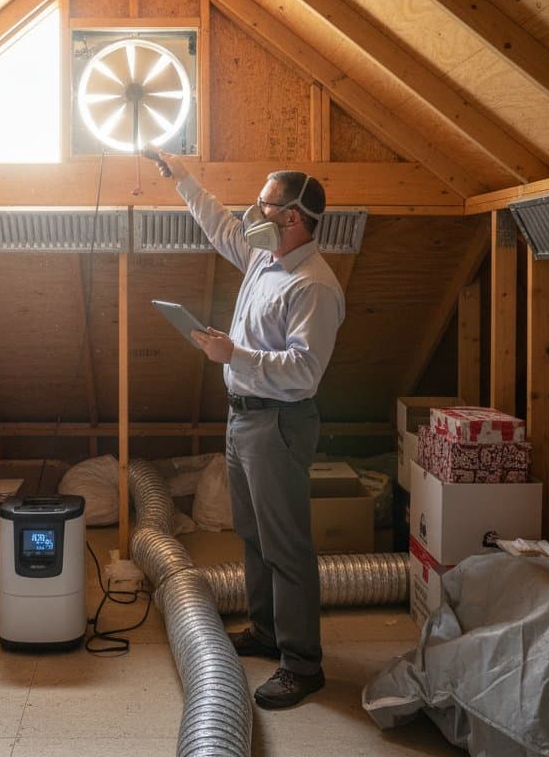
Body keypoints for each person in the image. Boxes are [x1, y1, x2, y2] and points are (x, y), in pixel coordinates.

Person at [152, 150, 346, 710]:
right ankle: (266, 631)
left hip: (278, 422)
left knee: (286, 545)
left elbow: (304, 371)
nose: (252, 213)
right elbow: (221, 227)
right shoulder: (265, 256)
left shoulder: (313, 285)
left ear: (292, 217)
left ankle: (302, 665)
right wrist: (183, 177)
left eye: (263, 205)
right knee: (254, 533)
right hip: (243, 416)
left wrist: (233, 354)